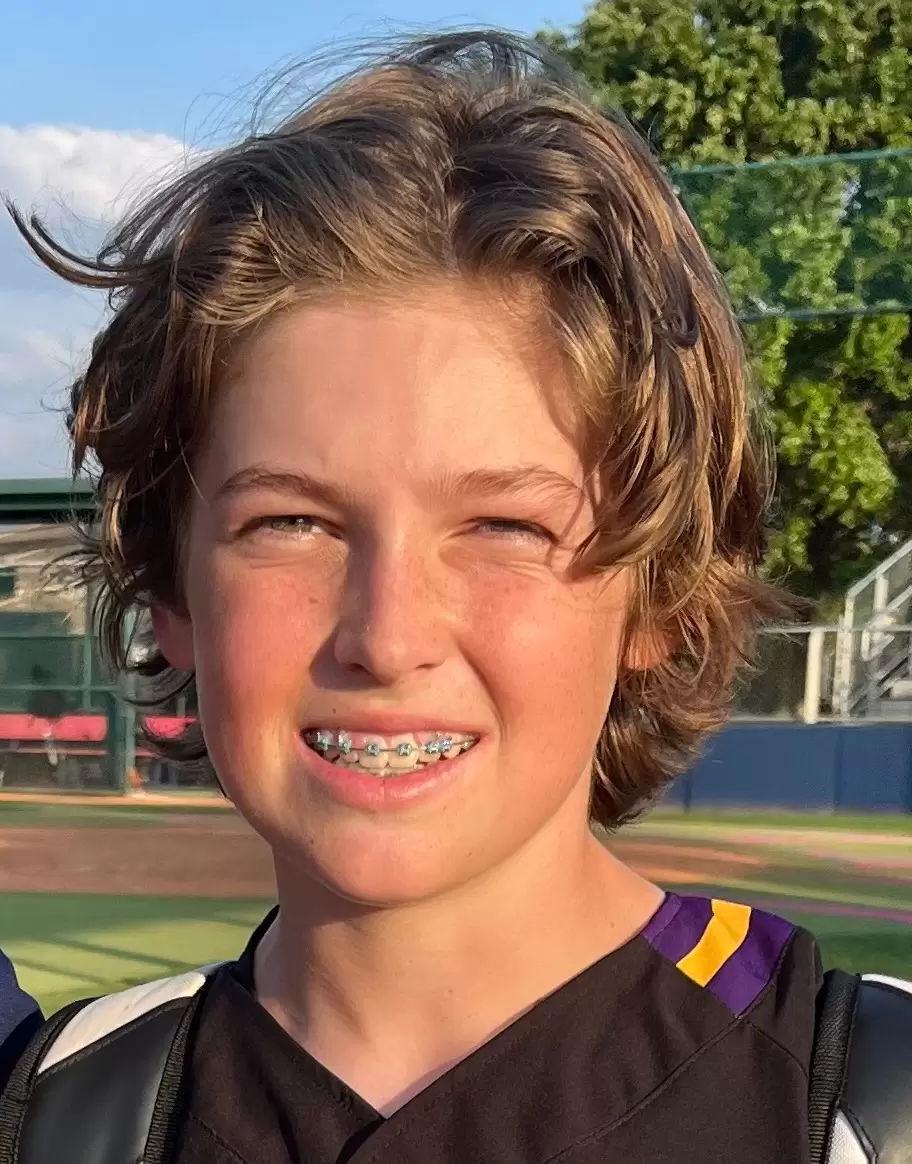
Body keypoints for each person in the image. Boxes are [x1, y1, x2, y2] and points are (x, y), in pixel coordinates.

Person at [2, 31, 908, 1164]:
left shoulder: (863, 1108)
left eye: (505, 528)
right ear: (170, 584)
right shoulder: (56, 1114)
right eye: (291, 523)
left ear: (660, 595)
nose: (387, 635)